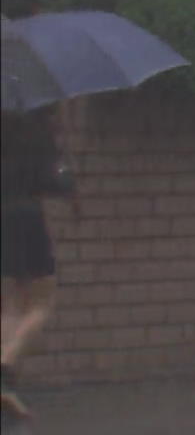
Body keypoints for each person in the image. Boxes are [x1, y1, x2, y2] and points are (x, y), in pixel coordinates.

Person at [1, 106, 77, 418]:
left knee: (10, 306)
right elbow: (58, 185)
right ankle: (3, 365)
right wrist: (62, 152)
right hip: (27, 219)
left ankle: (6, 386)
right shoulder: (38, 132)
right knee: (41, 303)